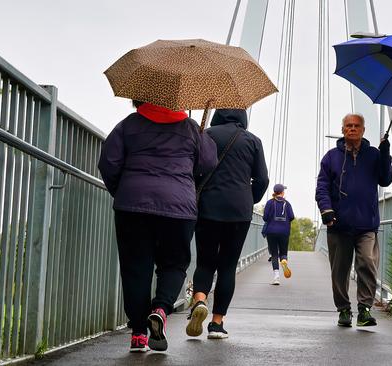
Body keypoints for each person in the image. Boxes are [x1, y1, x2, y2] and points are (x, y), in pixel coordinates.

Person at [98, 101, 217, 352]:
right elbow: (208, 164)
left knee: (135, 268)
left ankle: (139, 333)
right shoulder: (191, 128)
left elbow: (108, 162)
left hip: (132, 206)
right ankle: (161, 309)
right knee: (174, 264)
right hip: (179, 207)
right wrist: (200, 140)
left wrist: (121, 192)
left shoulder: (128, 125)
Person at [187, 109, 269, 339]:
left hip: (207, 207)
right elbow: (262, 179)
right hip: (239, 211)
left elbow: (193, 170)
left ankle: (200, 300)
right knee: (227, 266)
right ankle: (216, 323)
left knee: (205, 261)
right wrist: (248, 197)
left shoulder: (206, 135)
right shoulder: (253, 141)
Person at [315, 113, 392, 327]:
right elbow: (321, 187)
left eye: (356, 125)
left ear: (363, 129)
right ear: (342, 130)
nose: (352, 129)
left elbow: (385, 180)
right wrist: (326, 210)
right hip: (338, 224)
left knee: (367, 262)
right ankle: (343, 310)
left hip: (366, 223)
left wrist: (385, 154)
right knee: (339, 271)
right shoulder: (331, 157)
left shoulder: (374, 155)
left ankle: (365, 310)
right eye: (348, 126)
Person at [263, 184, 295, 285]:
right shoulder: (287, 204)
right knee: (283, 253)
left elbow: (265, 217)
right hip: (284, 232)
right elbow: (291, 217)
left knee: (274, 254)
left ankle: (276, 277)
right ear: (282, 192)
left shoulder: (269, 203)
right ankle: (284, 260)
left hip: (271, 231)